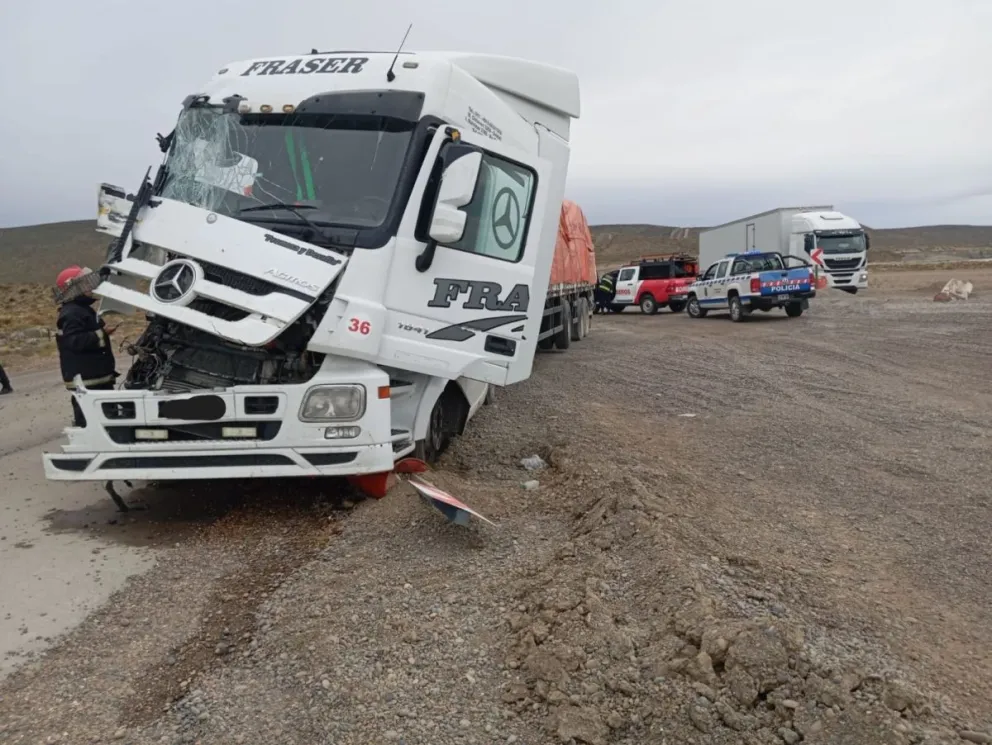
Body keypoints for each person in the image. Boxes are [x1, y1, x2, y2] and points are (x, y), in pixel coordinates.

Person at [54, 266, 119, 427]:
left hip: (93, 377)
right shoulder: (72, 313)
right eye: (84, 284)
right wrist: (101, 333)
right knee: (91, 419)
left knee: (104, 415)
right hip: (87, 380)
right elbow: (74, 341)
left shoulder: (80, 310)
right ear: (73, 289)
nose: (89, 287)